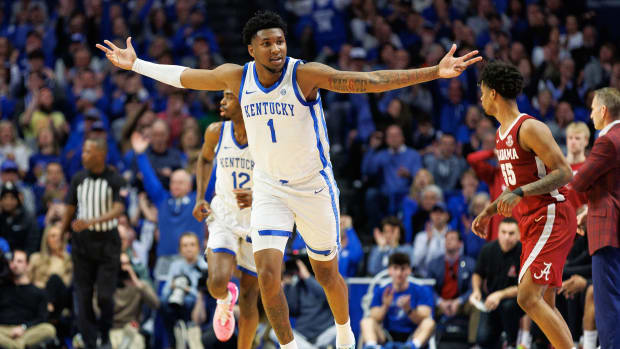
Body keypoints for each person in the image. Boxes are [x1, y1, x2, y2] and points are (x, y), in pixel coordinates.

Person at [96, 10, 480, 348]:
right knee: (266, 274)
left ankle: (345, 335)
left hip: (313, 187)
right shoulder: (236, 77)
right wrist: (136, 65)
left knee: (326, 273)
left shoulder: (305, 74)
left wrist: (434, 71)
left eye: (280, 41)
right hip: (269, 189)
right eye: (267, 43)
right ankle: (289, 346)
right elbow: (185, 77)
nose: (277, 49)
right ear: (251, 49)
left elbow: (370, 80)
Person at [472, 61, 577, 349]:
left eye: (481, 92)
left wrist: (520, 192)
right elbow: (511, 187)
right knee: (544, 303)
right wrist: (488, 211)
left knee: (526, 297)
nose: (480, 98)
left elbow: (564, 172)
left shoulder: (529, 127)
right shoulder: (500, 134)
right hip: (530, 220)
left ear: (493, 93)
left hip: (551, 213)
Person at [191, 89, 260, 348]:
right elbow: (205, 159)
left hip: (257, 219)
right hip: (225, 214)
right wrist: (200, 197)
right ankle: (224, 298)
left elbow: (282, 174)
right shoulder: (216, 131)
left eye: (229, 96)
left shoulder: (264, 135)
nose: (222, 101)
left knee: (251, 297)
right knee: (217, 283)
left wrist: (260, 196)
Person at [60, 137, 126, 349]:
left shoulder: (114, 179)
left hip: (108, 243)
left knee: (105, 296)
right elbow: (70, 207)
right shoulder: (78, 178)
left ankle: (105, 332)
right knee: (83, 296)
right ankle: (90, 342)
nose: (83, 155)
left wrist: (92, 221)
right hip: (82, 244)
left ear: (100, 154)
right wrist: (62, 231)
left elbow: (118, 208)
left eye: (88, 152)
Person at [572, 87, 620, 349]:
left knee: (607, 304)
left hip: (607, 231)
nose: (590, 114)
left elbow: (579, 182)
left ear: (603, 111)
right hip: (613, 225)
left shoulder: (606, 140)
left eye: (592, 109)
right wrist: (589, 210)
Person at [360, 252, 435, 349]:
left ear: (409, 270)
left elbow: (425, 314)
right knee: (366, 321)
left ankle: (411, 347)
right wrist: (385, 306)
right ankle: (372, 347)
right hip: (387, 335)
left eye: (403, 269)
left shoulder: (421, 289)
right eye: (395, 268)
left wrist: (408, 309)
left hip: (412, 335)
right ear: (390, 270)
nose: (399, 273)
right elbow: (374, 317)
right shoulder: (381, 290)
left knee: (429, 322)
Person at [470, 218, 523, 349]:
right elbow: (477, 273)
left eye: (511, 233)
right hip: (490, 301)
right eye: (503, 232)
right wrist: (476, 291)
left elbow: (524, 287)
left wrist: (500, 295)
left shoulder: (524, 252)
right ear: (498, 233)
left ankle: (512, 342)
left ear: (518, 235)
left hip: (516, 302)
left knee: (508, 306)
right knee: (483, 339)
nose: (506, 237)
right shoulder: (488, 249)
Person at [426, 229, 477, 344]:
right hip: (440, 304)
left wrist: (459, 301)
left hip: (460, 304)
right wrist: (439, 302)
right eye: (447, 239)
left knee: (476, 304)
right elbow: (428, 288)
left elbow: (473, 288)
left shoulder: (469, 263)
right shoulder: (434, 263)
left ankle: (473, 343)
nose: (449, 241)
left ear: (460, 244)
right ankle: (429, 342)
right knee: (425, 305)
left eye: (452, 239)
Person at [0, 250, 57, 349]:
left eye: (19, 261)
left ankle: (13, 346)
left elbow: (42, 318)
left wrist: (24, 327)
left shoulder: (38, 292)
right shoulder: (3, 287)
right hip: (2, 329)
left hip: (26, 331)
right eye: (12, 261)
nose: (15, 264)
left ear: (27, 265)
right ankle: (17, 346)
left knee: (49, 329)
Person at [280, 257, 337, 349]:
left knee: (339, 330)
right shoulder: (295, 285)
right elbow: (292, 310)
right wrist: (287, 286)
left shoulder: (325, 281)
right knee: (275, 333)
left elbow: (326, 296)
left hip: (325, 332)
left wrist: (307, 277)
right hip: (303, 336)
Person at [108, 252, 160, 349]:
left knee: (135, 342)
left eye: (127, 264)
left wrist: (138, 284)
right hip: (111, 329)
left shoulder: (139, 285)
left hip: (132, 329)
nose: (124, 268)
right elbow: (97, 311)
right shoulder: (105, 286)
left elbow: (155, 304)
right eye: (121, 264)